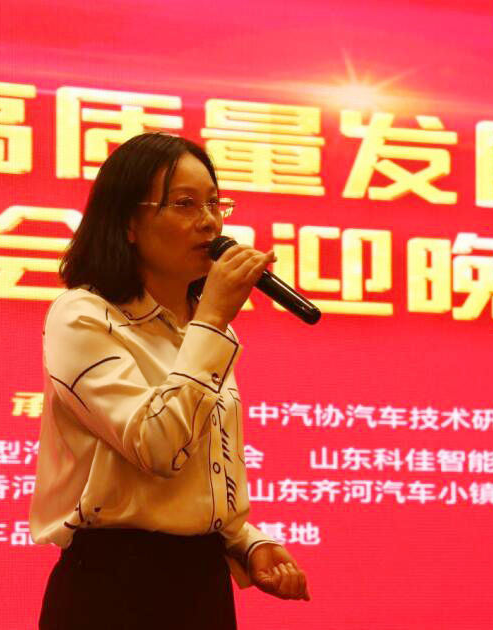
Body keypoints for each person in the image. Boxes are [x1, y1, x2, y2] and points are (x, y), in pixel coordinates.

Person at [29, 132, 310, 629]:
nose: (209, 221)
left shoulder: (199, 326)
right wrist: (214, 321)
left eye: (215, 204)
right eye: (184, 204)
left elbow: (197, 470)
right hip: (112, 587)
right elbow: (157, 446)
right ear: (128, 223)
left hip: (201, 582)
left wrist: (246, 542)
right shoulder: (83, 315)